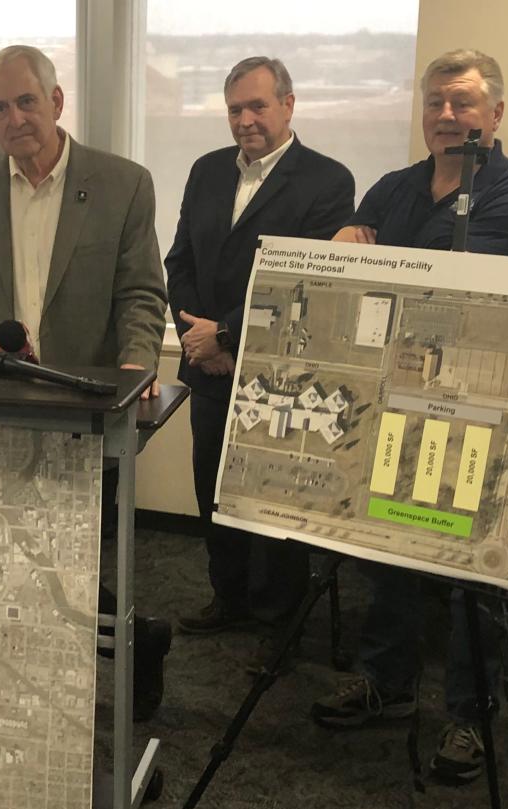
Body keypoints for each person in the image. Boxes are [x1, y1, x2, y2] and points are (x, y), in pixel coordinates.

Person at [0, 44, 171, 720]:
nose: (13, 117)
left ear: (55, 101)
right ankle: (21, 684)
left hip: (86, 400)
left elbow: (140, 293)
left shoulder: (123, 183)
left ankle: (130, 646)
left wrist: (138, 367)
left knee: (72, 555)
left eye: (25, 101)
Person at [310, 49, 508, 786]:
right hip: (394, 400)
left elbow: (448, 296)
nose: (448, 116)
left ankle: (469, 717)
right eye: (437, 103)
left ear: (495, 115)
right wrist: (354, 241)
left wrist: (378, 260)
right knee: (389, 550)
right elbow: (352, 267)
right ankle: (389, 682)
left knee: (469, 566)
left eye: (464, 103)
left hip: (476, 408)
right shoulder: (395, 185)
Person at [165, 57, 354, 657]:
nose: (246, 120)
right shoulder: (206, 171)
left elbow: (308, 288)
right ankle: (230, 597)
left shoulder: (327, 181)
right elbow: (180, 263)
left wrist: (225, 333)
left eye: (258, 107)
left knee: (272, 499)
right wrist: (198, 337)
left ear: (288, 105)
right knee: (210, 487)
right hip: (209, 366)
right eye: (235, 110)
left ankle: (279, 622)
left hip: (281, 377)